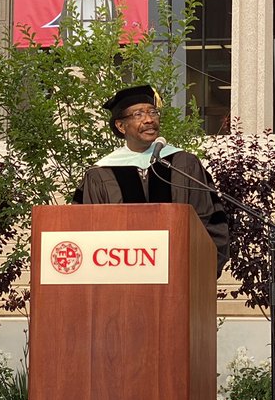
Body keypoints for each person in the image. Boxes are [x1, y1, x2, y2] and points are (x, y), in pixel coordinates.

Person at [74, 85, 229, 274]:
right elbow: (88, 232)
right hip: (120, 278)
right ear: (121, 126)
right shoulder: (100, 174)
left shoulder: (184, 164)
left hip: (179, 275)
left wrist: (200, 270)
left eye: (153, 112)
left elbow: (209, 220)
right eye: (138, 114)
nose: (149, 119)